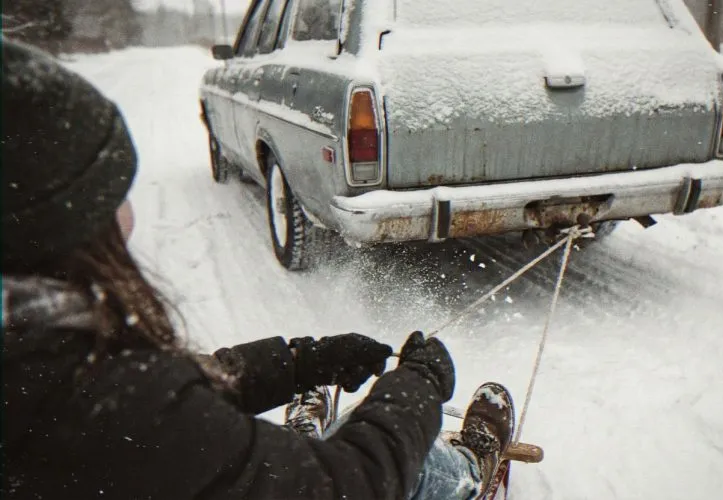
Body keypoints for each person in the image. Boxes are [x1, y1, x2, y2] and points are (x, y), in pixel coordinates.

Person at [1, 39, 514, 500]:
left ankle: (301, 444)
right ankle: (469, 473)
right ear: (56, 226)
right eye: (112, 195)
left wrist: (299, 364)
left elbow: (169, 402)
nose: (128, 216)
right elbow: (350, 486)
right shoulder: (93, 404)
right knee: (412, 468)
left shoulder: (35, 363)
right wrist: (417, 388)